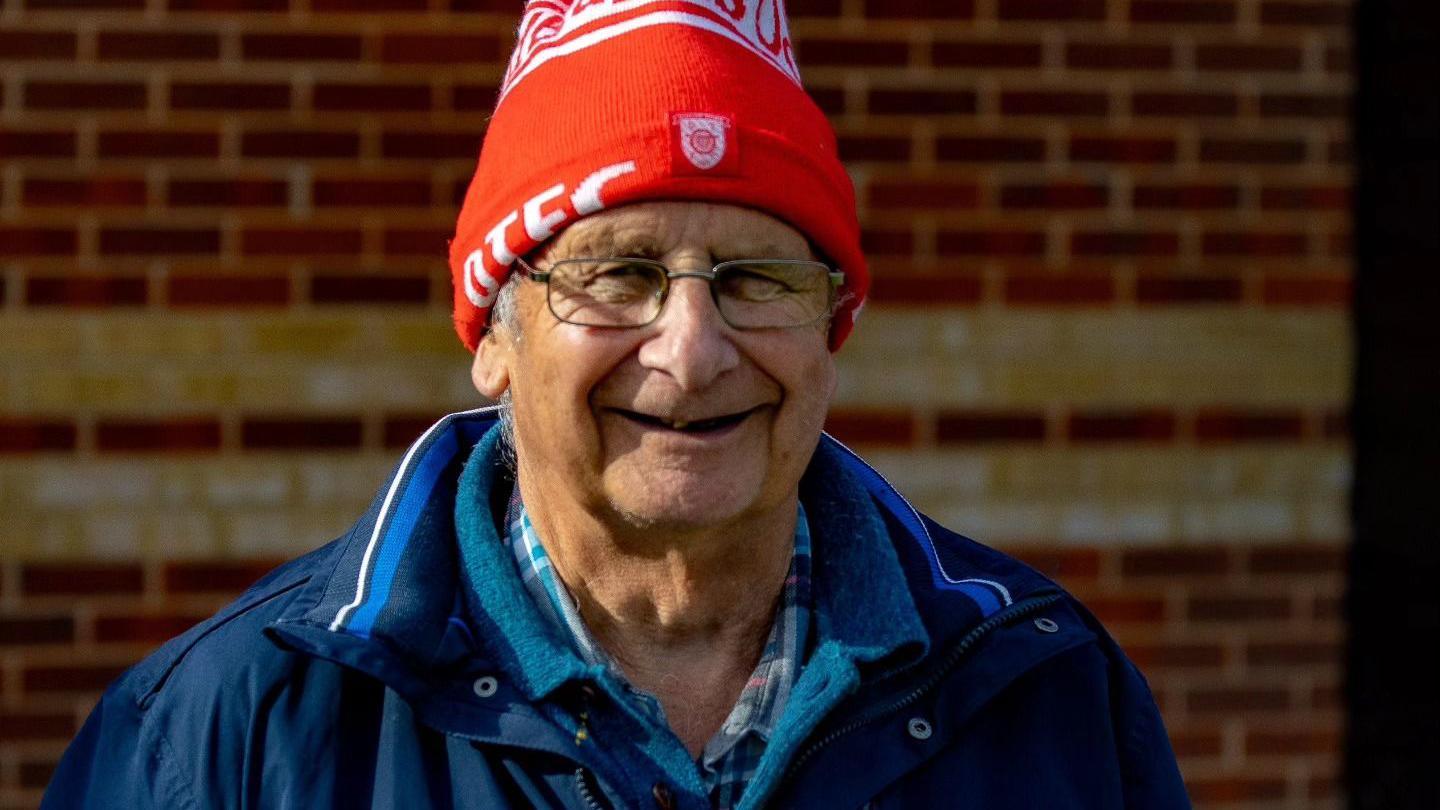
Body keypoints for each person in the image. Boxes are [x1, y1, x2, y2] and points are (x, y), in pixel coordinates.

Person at [43, 1, 1190, 808]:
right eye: (618, 273)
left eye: (757, 279)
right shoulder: (228, 733)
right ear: (496, 334)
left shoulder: (1045, 690)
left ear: (832, 331)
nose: (691, 355)